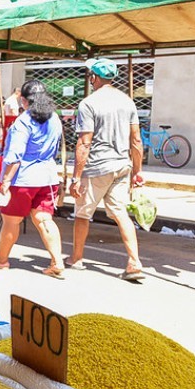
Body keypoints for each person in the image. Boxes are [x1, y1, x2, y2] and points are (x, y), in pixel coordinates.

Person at [67, 58, 146, 281]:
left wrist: (75, 177)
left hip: (97, 167)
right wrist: (137, 171)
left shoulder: (88, 104)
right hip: (122, 166)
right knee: (121, 213)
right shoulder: (128, 102)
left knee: (83, 214)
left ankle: (76, 258)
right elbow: (137, 140)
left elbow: (84, 142)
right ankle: (134, 261)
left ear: (94, 77)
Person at [0, 80, 66, 278]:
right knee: (44, 219)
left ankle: (2, 260)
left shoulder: (23, 121)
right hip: (48, 177)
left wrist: (6, 180)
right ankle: (57, 261)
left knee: (11, 221)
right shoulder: (55, 118)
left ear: (24, 101)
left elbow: (16, 155)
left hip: (23, 179)